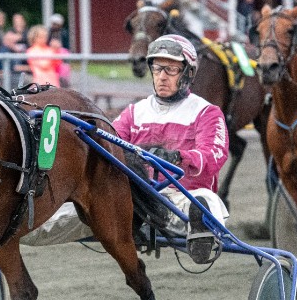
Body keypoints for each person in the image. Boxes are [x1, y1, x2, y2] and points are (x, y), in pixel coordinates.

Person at [21, 35, 230, 264]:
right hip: (130, 200)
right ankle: (12, 227)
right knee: (45, 220)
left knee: (208, 202)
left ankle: (202, 234)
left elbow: (213, 156)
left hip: (180, 197)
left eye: (171, 70)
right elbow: (109, 144)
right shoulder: (134, 112)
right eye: (158, 68)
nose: (161, 77)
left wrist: (179, 157)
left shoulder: (206, 112)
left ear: (188, 73)